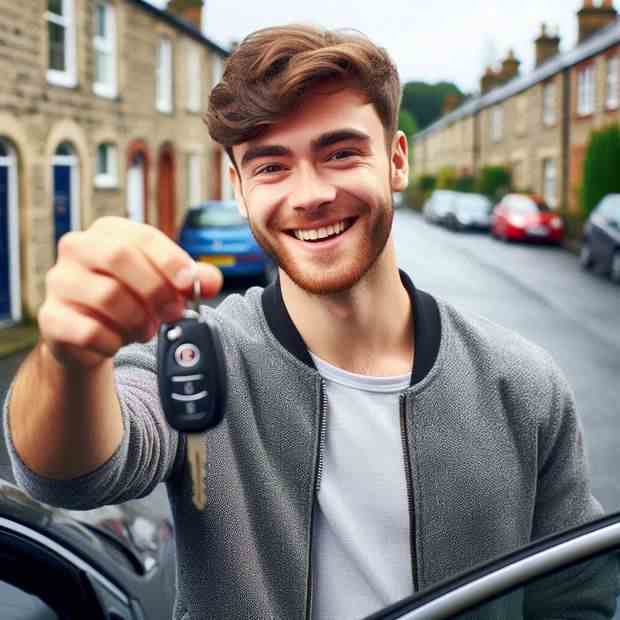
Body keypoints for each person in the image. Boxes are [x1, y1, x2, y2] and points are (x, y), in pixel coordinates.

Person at [2, 24, 612, 620]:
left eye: (341, 152)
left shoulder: (522, 383)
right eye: (271, 167)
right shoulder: (201, 359)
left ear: (396, 161)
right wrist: (68, 358)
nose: (310, 193)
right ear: (239, 190)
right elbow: (72, 477)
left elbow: (573, 597)